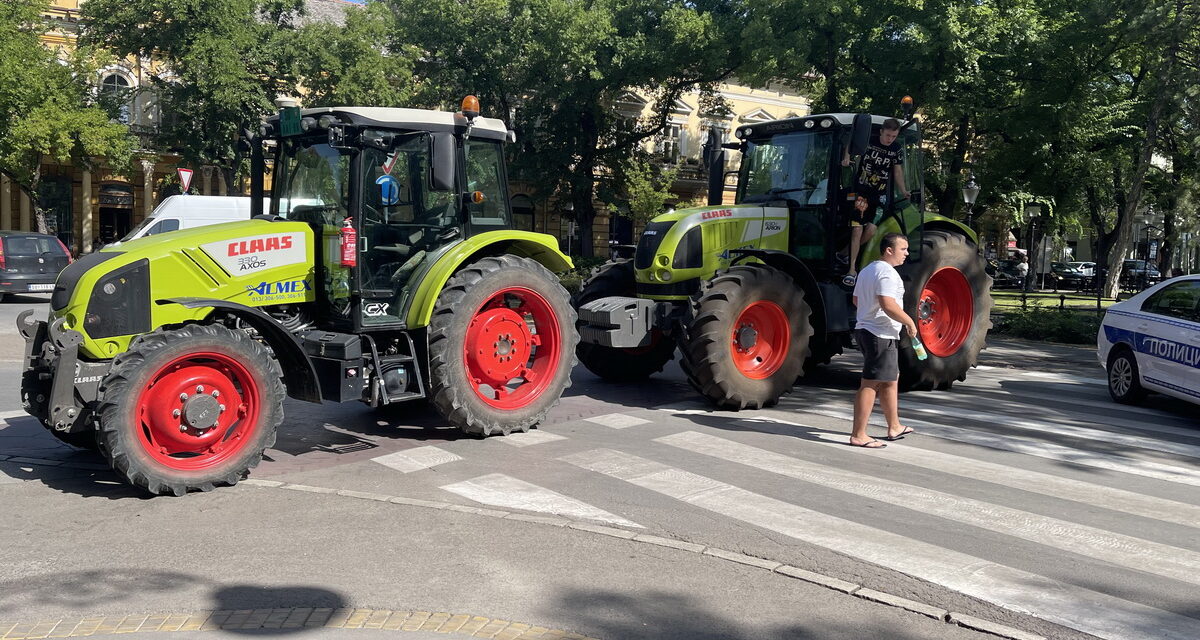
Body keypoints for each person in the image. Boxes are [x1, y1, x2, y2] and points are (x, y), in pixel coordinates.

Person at [849, 233, 918, 448]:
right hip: (880, 333)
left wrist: (868, 314)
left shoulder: (868, 270)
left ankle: (894, 425)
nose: (907, 253)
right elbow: (888, 304)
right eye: (903, 249)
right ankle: (859, 434)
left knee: (891, 378)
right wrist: (909, 321)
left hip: (866, 330)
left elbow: (856, 299)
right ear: (889, 250)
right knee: (870, 383)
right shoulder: (888, 273)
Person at [840, 118, 910, 287]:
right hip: (861, 192)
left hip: (880, 195)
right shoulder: (868, 142)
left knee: (871, 230)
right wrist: (846, 157)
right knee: (857, 229)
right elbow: (851, 146)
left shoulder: (896, 149)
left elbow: (898, 171)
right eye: (888, 135)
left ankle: (844, 252)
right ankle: (852, 270)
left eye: (893, 136)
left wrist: (903, 190)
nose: (890, 139)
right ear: (881, 132)